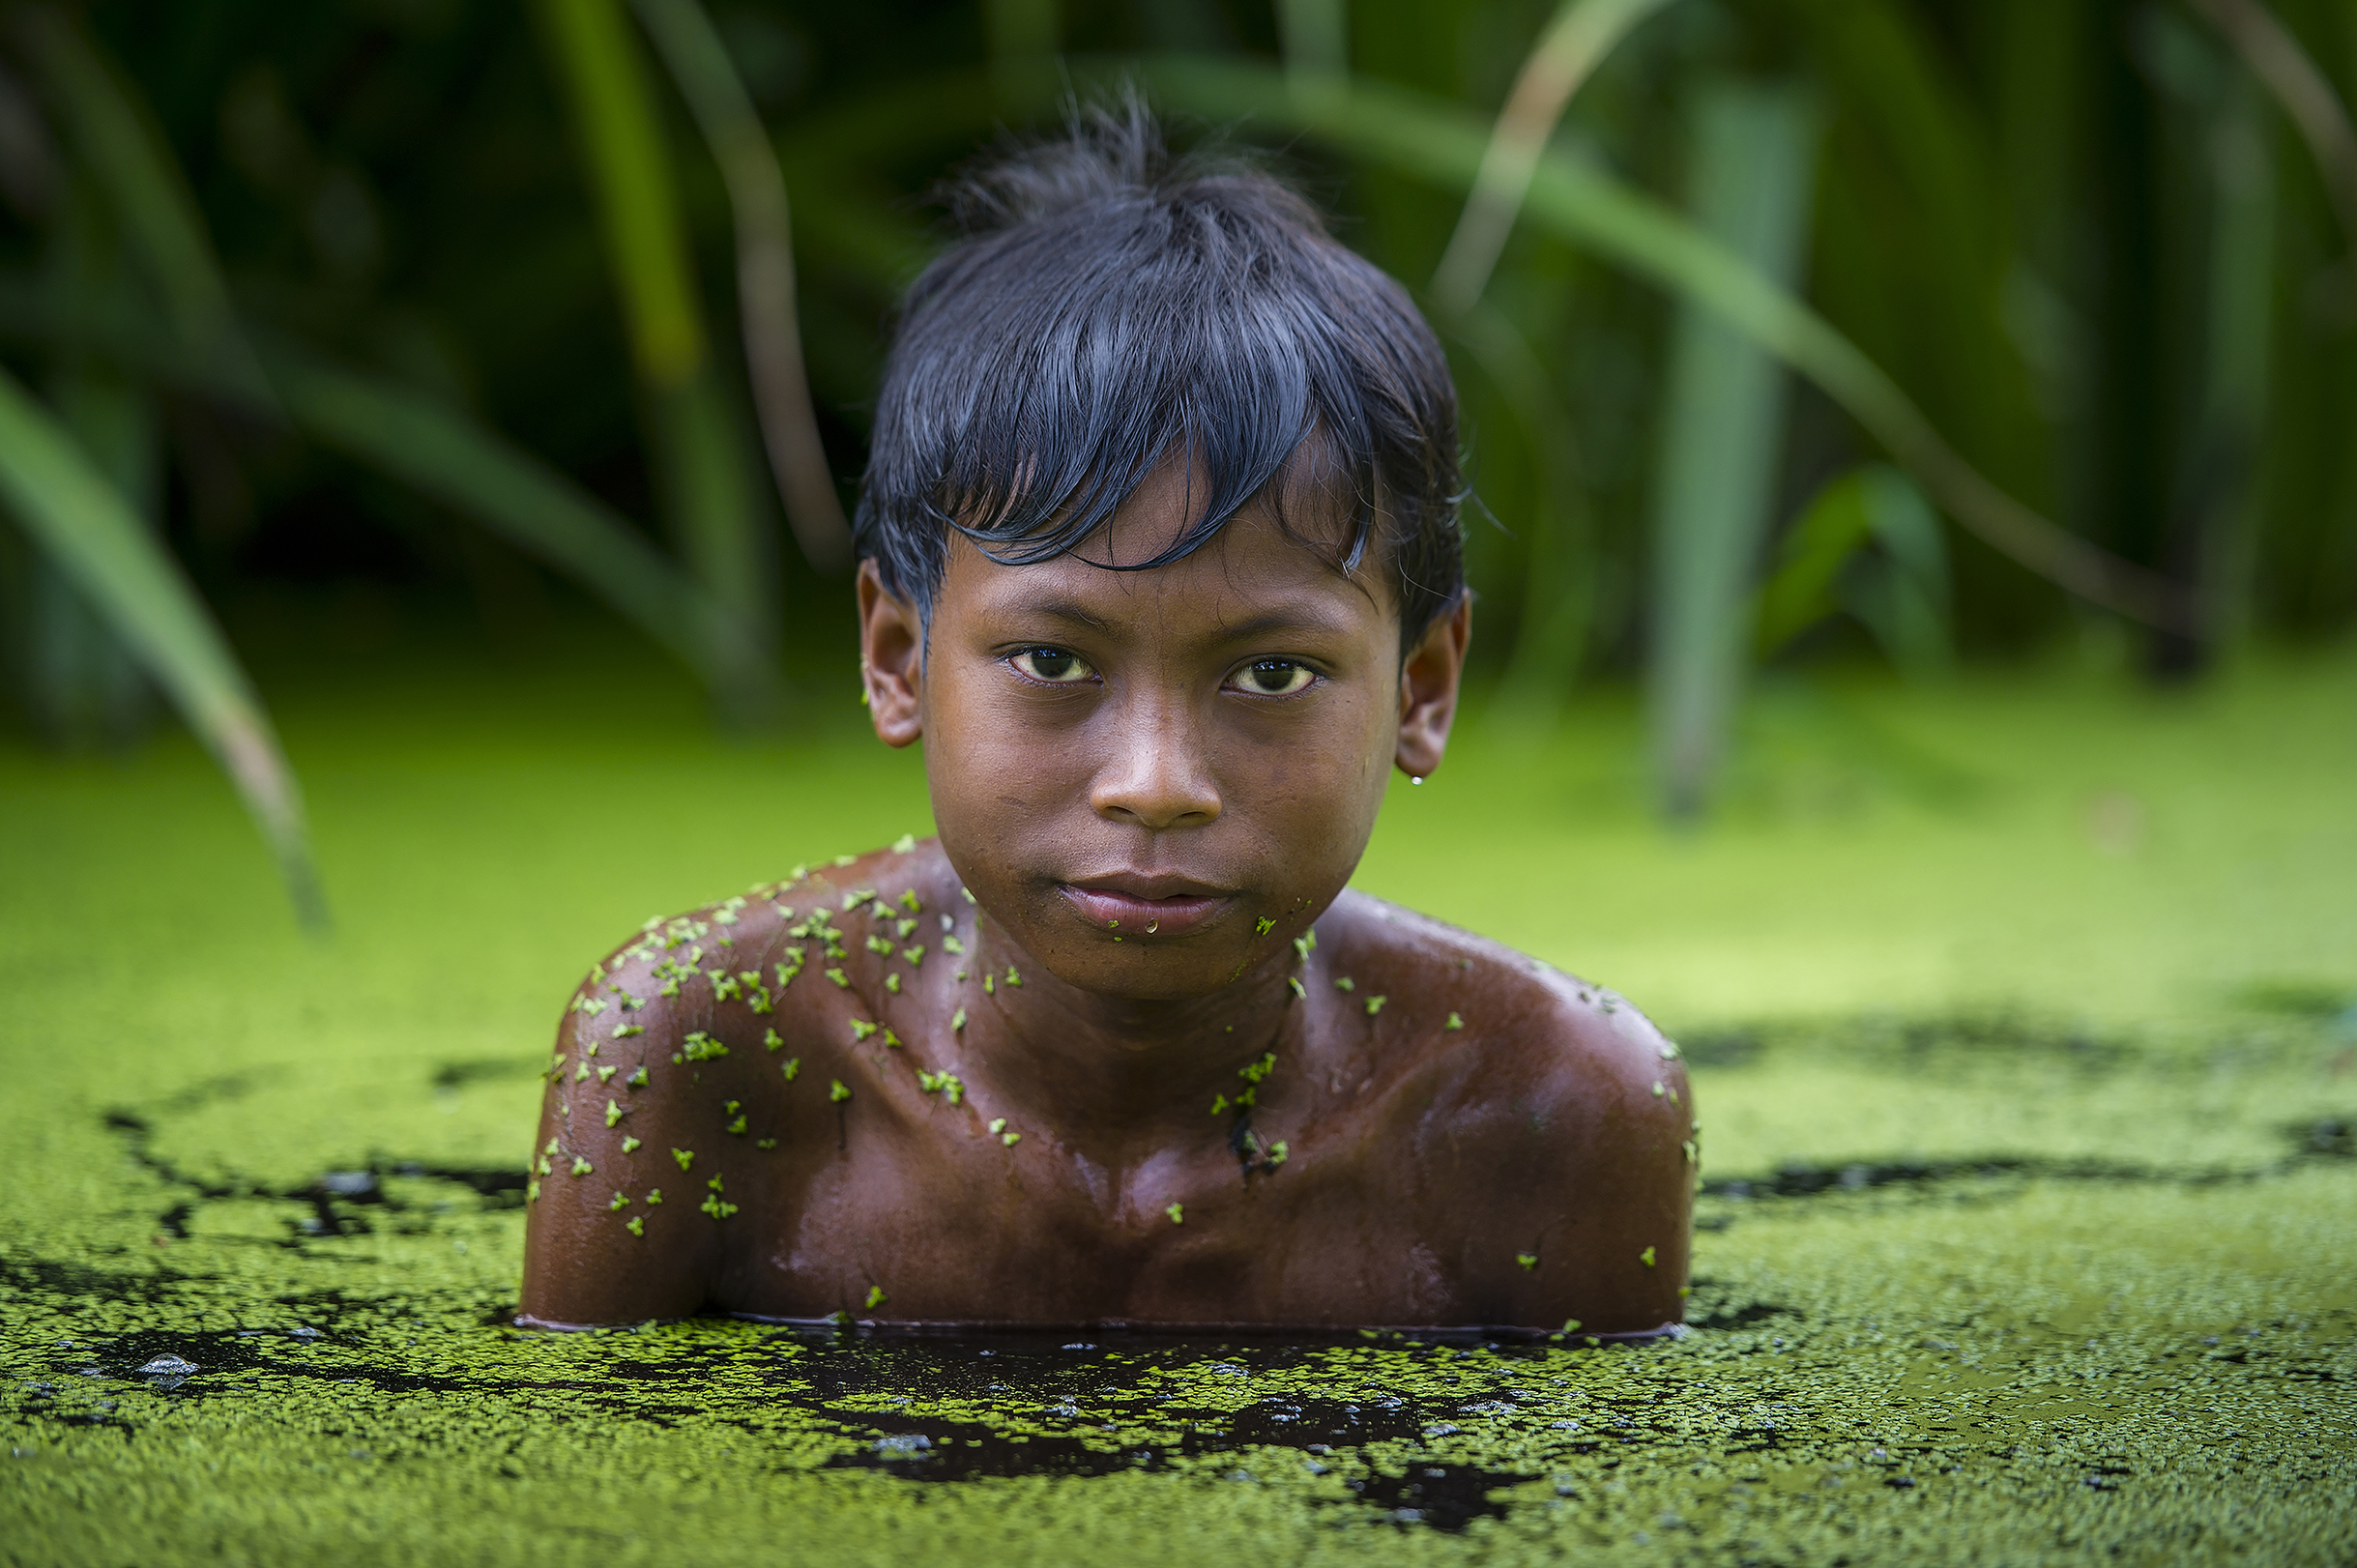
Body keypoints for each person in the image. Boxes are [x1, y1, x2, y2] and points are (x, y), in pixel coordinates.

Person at [518, 105, 1694, 1337]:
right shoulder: (693, 1051)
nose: (1154, 782)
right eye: (1049, 657)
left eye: (1273, 675)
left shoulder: (1558, 1107)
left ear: (1422, 685)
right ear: (896, 656)